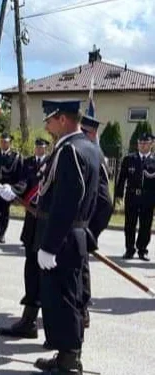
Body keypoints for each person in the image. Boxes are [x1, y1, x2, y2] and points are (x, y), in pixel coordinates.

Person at [27, 99, 100, 375]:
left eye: (50, 119)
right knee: (64, 299)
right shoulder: (89, 147)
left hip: (64, 237)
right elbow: (98, 200)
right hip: (74, 236)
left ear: (63, 120)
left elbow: (67, 202)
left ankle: (68, 368)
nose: (46, 124)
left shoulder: (70, 150)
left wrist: (50, 245)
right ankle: (65, 357)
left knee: (63, 302)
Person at [0, 138, 49, 339]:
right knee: (32, 272)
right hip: (32, 223)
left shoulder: (55, 160)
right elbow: (25, 182)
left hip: (47, 223)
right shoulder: (28, 162)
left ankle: (67, 319)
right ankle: (29, 321)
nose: (39, 148)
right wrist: (13, 190)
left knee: (49, 276)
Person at [81, 115, 113, 328]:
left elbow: (103, 201)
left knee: (80, 264)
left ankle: (82, 311)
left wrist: (90, 232)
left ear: (92, 134)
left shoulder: (93, 154)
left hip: (90, 219)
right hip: (87, 218)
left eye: (83, 132)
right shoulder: (91, 152)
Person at [114, 131, 155, 261]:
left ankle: (142, 250)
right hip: (132, 196)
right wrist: (119, 195)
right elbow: (121, 178)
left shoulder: (154, 161)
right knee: (129, 224)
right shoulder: (129, 159)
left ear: (151, 144)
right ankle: (129, 249)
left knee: (146, 225)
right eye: (140, 143)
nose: (142, 145)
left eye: (145, 143)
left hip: (148, 198)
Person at [0, 133, 21, 243]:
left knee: (5, 213)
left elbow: (17, 174)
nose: (3, 143)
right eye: (2, 141)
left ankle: (2, 235)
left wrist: (14, 190)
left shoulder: (15, 156)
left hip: (7, 190)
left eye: (5, 142)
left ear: (10, 143)